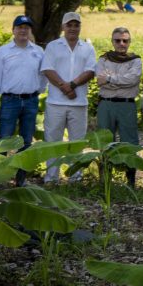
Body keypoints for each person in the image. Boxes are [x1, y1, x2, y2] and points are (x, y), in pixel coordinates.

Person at [40, 12, 96, 183]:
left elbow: (91, 71)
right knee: (52, 141)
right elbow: (47, 69)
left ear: (80, 27)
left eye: (76, 25)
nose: (73, 28)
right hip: (55, 103)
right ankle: (51, 179)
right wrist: (65, 88)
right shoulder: (52, 46)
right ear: (63, 26)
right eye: (69, 25)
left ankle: (75, 179)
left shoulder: (87, 47)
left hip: (78, 103)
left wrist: (71, 85)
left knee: (77, 143)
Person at [0, 15, 45, 186]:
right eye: (20, 27)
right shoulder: (3, 52)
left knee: (26, 141)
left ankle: (21, 180)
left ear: (30, 31)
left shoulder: (38, 51)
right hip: (9, 101)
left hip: (30, 101)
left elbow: (43, 76)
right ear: (13, 30)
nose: (23, 30)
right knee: (4, 140)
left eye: (26, 28)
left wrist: (38, 91)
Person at [95, 27, 143, 188]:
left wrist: (109, 78)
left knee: (129, 143)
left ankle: (130, 181)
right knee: (105, 142)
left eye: (125, 40)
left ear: (129, 42)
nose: (121, 44)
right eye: (118, 40)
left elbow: (133, 79)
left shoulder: (135, 60)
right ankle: (105, 181)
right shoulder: (103, 59)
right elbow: (99, 80)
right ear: (112, 41)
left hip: (126, 105)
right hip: (106, 105)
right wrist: (120, 81)